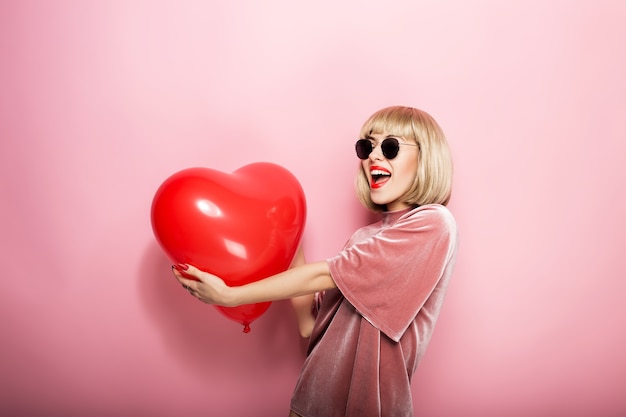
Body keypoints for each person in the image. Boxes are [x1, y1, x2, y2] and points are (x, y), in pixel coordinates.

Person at [172, 105, 459, 417]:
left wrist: (230, 295)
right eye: (366, 147)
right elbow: (310, 326)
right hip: (309, 403)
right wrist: (287, 236)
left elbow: (325, 275)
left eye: (390, 147)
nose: (374, 157)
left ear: (426, 157)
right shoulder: (364, 238)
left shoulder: (433, 223)